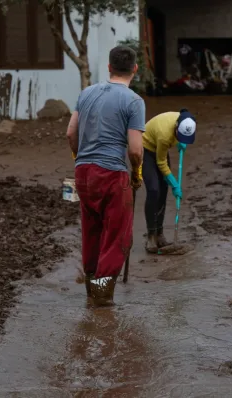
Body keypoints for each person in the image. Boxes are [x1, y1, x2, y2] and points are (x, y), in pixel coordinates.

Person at [67, 45, 145, 306]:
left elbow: (70, 133)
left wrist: (81, 159)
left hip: (83, 172)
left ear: (109, 67)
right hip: (112, 173)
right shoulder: (134, 101)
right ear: (135, 69)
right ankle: (102, 297)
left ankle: (91, 287)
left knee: (92, 230)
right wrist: (137, 173)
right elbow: (135, 150)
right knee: (117, 236)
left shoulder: (87, 93)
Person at [141, 110, 197, 253]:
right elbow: (161, 163)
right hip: (146, 148)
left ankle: (160, 234)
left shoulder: (187, 121)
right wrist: (174, 183)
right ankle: (151, 236)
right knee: (154, 190)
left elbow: (186, 115)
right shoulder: (165, 136)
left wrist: (181, 141)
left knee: (163, 191)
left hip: (161, 149)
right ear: (176, 127)